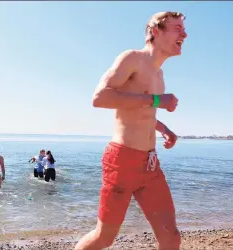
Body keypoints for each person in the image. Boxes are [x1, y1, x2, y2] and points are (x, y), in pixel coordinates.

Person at [74, 12, 186, 250]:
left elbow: (141, 112)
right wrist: (157, 100)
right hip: (122, 159)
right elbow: (100, 98)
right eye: (177, 28)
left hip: (150, 163)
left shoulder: (159, 74)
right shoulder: (132, 58)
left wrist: (164, 128)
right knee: (104, 237)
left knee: (171, 237)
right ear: (155, 31)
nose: (184, 34)